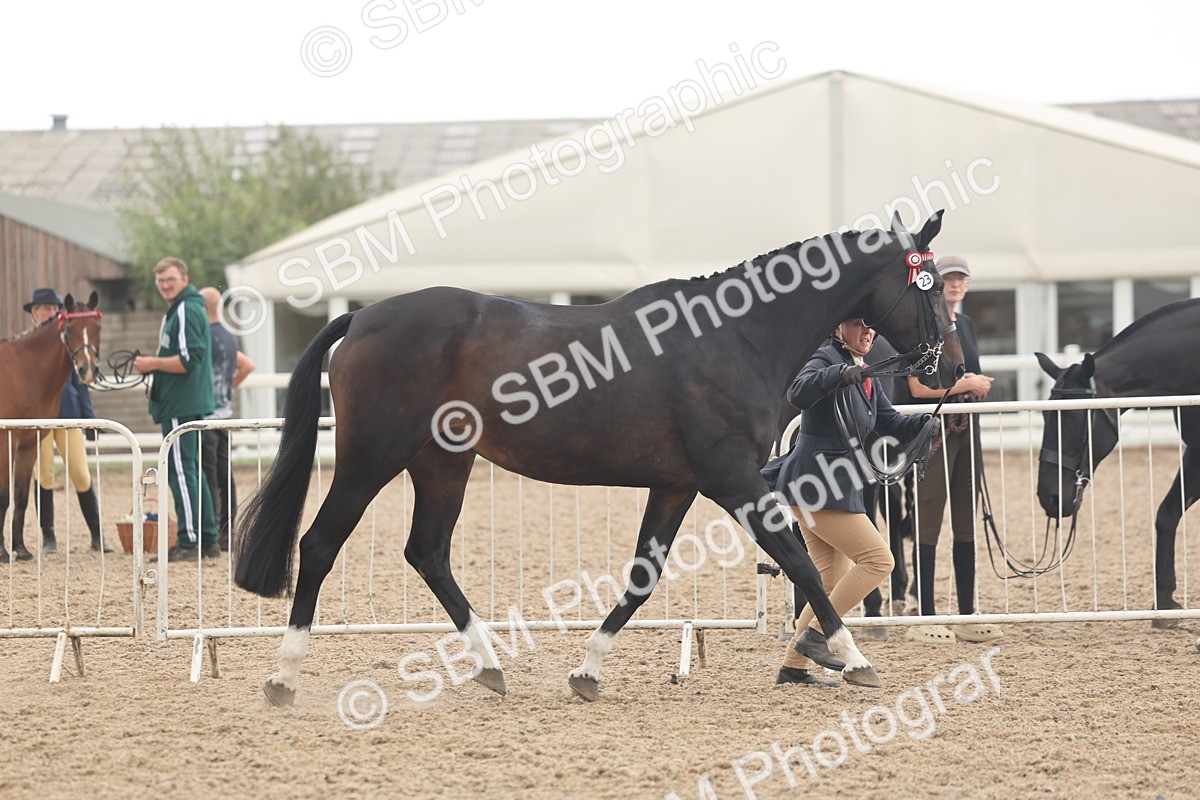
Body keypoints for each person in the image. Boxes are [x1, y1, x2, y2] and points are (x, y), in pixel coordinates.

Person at [763, 318, 937, 687]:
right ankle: (817, 636)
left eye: (871, 327)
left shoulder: (867, 374)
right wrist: (839, 374)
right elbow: (797, 393)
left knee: (828, 581)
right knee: (878, 560)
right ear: (838, 328)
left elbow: (888, 422)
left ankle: (793, 667)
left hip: (833, 487)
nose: (868, 333)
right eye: (859, 325)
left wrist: (925, 422)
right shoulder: (824, 358)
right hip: (818, 487)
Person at [905, 256, 1003, 644]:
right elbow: (916, 388)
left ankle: (966, 612)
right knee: (928, 521)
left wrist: (972, 387)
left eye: (962, 278)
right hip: (934, 433)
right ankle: (924, 614)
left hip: (966, 432)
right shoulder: (923, 327)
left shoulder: (967, 326)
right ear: (937, 284)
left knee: (965, 520)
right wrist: (967, 386)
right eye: (950, 279)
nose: (956, 284)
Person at [134, 258, 219, 562]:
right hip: (185, 401)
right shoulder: (185, 308)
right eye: (161, 281)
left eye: (170, 279)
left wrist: (151, 363)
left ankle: (189, 541)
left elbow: (188, 359)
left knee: (182, 472)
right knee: (192, 471)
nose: (165, 285)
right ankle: (207, 539)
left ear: (184, 279)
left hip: (181, 403)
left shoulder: (184, 309)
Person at [23, 288, 114, 554]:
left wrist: (89, 419)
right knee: (44, 475)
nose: (50, 313)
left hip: (67, 412)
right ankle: (49, 536)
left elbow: (81, 383)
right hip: (38, 418)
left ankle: (97, 535)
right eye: (44, 309)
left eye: (54, 308)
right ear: (33, 313)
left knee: (81, 473)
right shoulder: (26, 343)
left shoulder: (68, 339)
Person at [198, 287, 256, 551]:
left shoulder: (204, 337)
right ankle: (227, 532)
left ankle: (207, 531)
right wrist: (228, 388)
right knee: (225, 476)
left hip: (206, 414)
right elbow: (248, 365)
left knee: (207, 475)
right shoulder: (229, 337)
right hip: (224, 414)